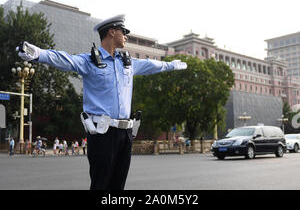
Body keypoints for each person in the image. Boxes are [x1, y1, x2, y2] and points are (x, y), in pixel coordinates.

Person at [17, 14, 187, 191]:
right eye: (123, 32)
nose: (126, 36)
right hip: (102, 133)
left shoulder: (127, 63)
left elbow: (151, 65)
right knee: (101, 184)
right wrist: (37, 53)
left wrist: (171, 65)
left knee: (118, 186)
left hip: (125, 133)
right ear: (112, 32)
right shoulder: (89, 61)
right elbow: (64, 59)